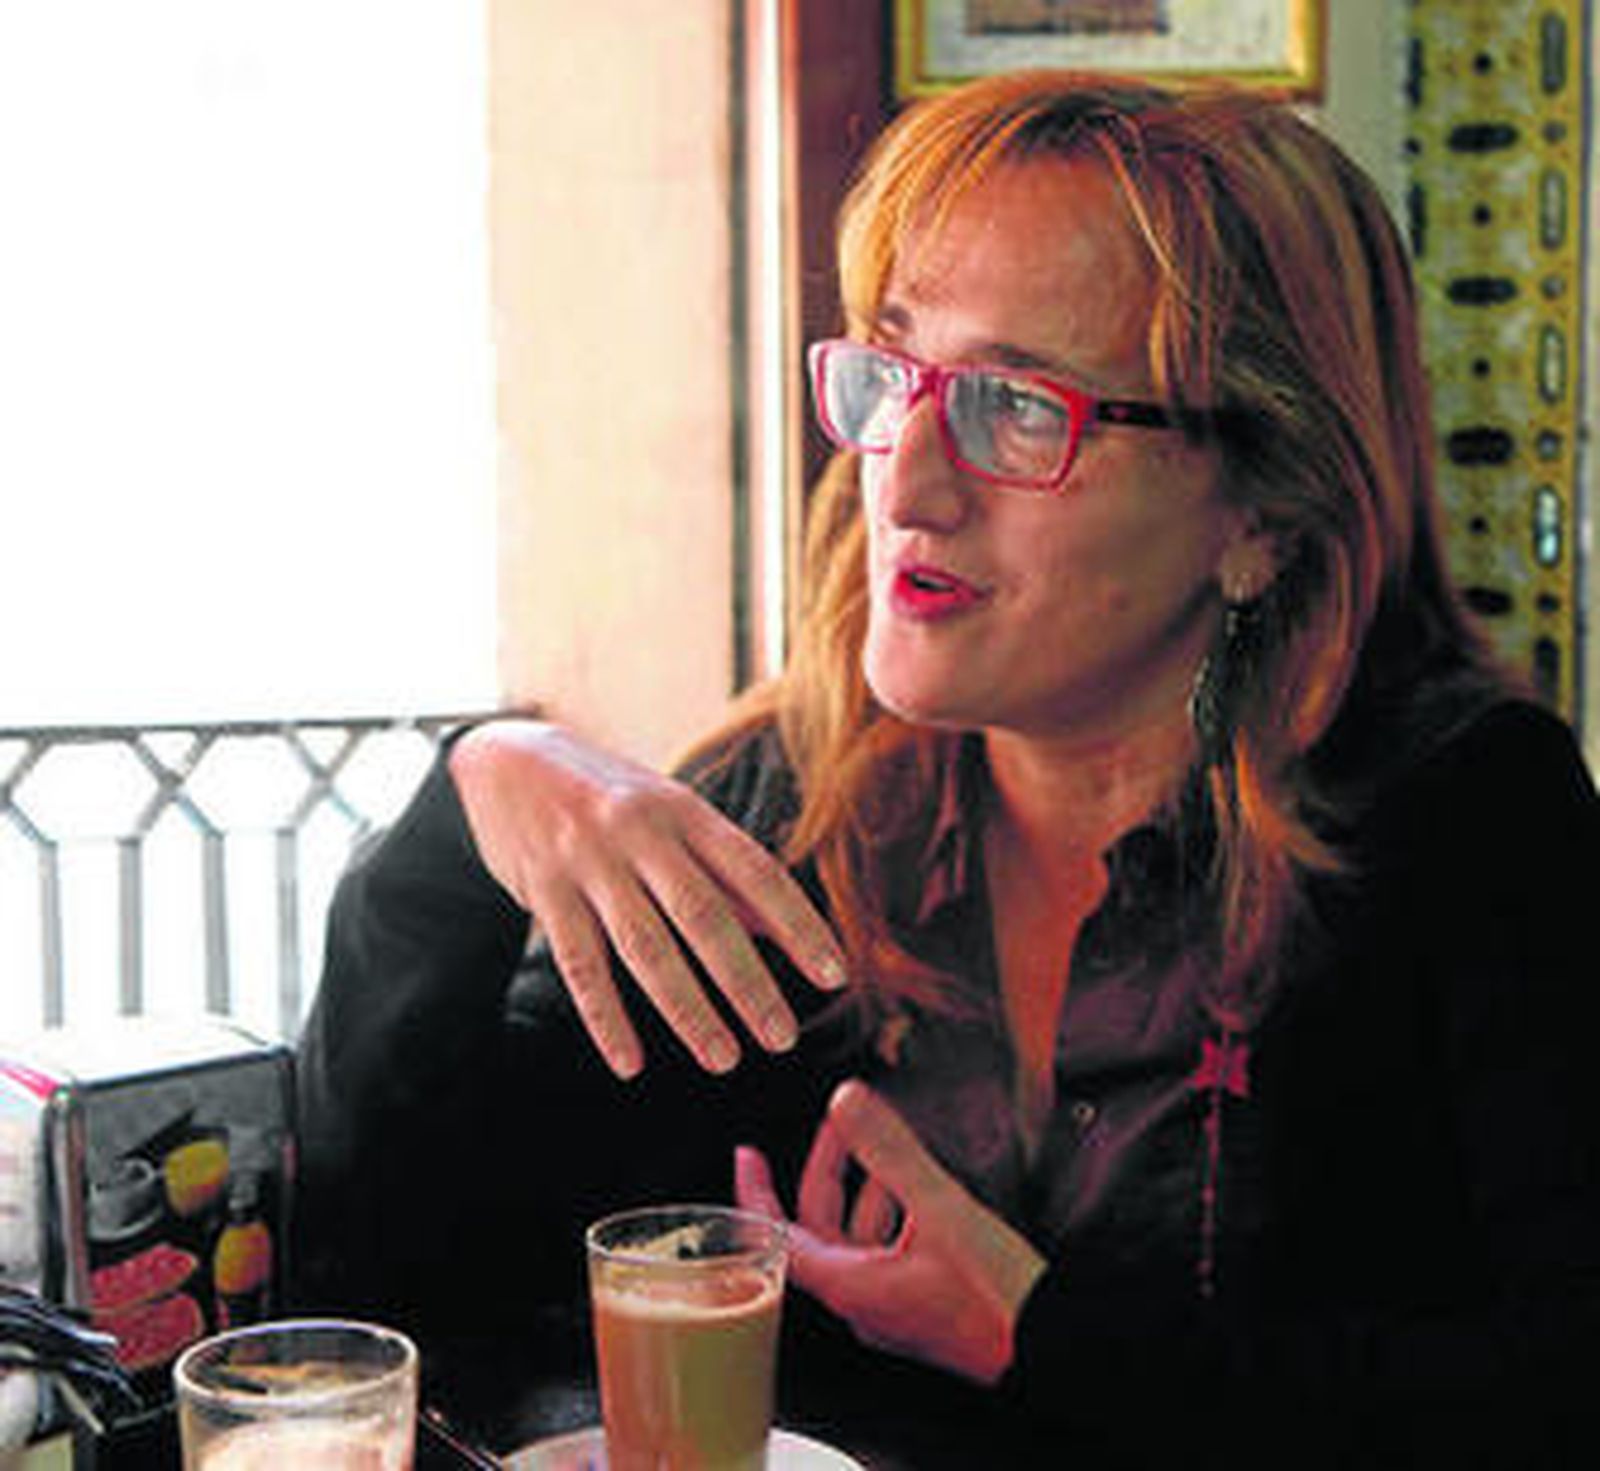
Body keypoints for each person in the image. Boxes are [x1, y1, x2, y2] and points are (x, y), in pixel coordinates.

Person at [293, 71, 1600, 1468]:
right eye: (894, 375)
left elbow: (1556, 1403)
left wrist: (1036, 1330)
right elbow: (373, 1306)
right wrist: (468, 813)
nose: (906, 482)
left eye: (1019, 408)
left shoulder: (1470, 820)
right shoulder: (779, 804)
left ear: (1263, 511)